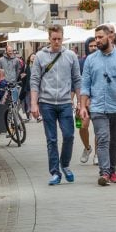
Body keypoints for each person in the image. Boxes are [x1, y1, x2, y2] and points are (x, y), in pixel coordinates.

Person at [79, 24, 116, 186]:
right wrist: (82, 106)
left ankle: (112, 170)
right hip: (97, 106)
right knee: (103, 138)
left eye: (100, 37)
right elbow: (85, 85)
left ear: (110, 37)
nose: (97, 41)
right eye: (95, 38)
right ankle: (104, 173)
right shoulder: (90, 60)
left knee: (115, 140)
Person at [30, 24, 82, 185]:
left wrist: (80, 102)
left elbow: (77, 79)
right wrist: (34, 104)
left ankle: (64, 164)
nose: (57, 42)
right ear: (49, 38)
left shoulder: (70, 56)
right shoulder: (40, 56)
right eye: (54, 39)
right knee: (51, 139)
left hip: (66, 101)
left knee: (69, 135)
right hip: (47, 102)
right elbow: (35, 80)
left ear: (63, 38)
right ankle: (55, 172)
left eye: (59, 39)